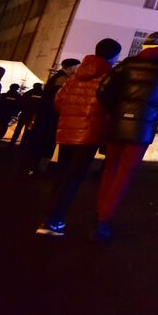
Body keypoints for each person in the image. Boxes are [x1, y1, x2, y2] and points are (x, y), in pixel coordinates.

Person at [93, 31, 158, 240]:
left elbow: (103, 90)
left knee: (110, 169)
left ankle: (100, 211)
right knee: (124, 174)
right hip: (142, 126)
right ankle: (104, 220)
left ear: (144, 46)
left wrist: (116, 109)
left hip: (118, 123)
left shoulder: (127, 63)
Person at [36, 39, 122, 237]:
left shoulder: (75, 75)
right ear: (114, 56)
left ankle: (50, 217)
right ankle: (53, 220)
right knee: (73, 178)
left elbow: (59, 100)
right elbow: (110, 104)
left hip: (67, 131)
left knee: (62, 175)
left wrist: (70, 116)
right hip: (89, 133)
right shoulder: (109, 75)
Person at [21, 59, 80, 174]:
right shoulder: (62, 80)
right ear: (70, 67)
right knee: (46, 142)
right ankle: (39, 168)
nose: (77, 69)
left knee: (41, 142)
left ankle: (34, 167)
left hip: (46, 116)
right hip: (51, 116)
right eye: (76, 67)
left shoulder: (57, 77)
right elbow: (58, 100)